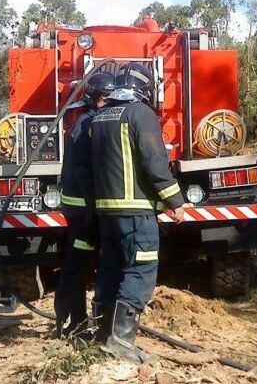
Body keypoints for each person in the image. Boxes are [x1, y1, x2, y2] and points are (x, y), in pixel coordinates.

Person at [90, 63, 187, 363]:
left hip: (106, 213)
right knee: (140, 270)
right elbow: (155, 163)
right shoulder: (140, 114)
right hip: (136, 212)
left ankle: (101, 334)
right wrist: (176, 202)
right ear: (144, 87)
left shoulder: (99, 117)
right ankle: (121, 341)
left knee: (111, 268)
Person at [55, 72, 115, 340]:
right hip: (83, 210)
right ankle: (73, 322)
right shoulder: (89, 123)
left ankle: (80, 322)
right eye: (105, 98)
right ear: (93, 97)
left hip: (83, 207)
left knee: (83, 263)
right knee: (77, 265)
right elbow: (83, 170)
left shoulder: (89, 121)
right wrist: (92, 208)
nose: (108, 103)